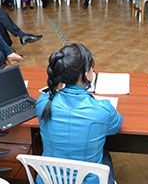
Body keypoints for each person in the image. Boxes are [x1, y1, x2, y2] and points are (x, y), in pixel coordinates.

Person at [37, 44, 123, 184]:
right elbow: (116, 126)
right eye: (91, 68)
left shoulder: (43, 103)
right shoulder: (102, 110)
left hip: (48, 180)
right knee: (104, 152)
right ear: (87, 74)